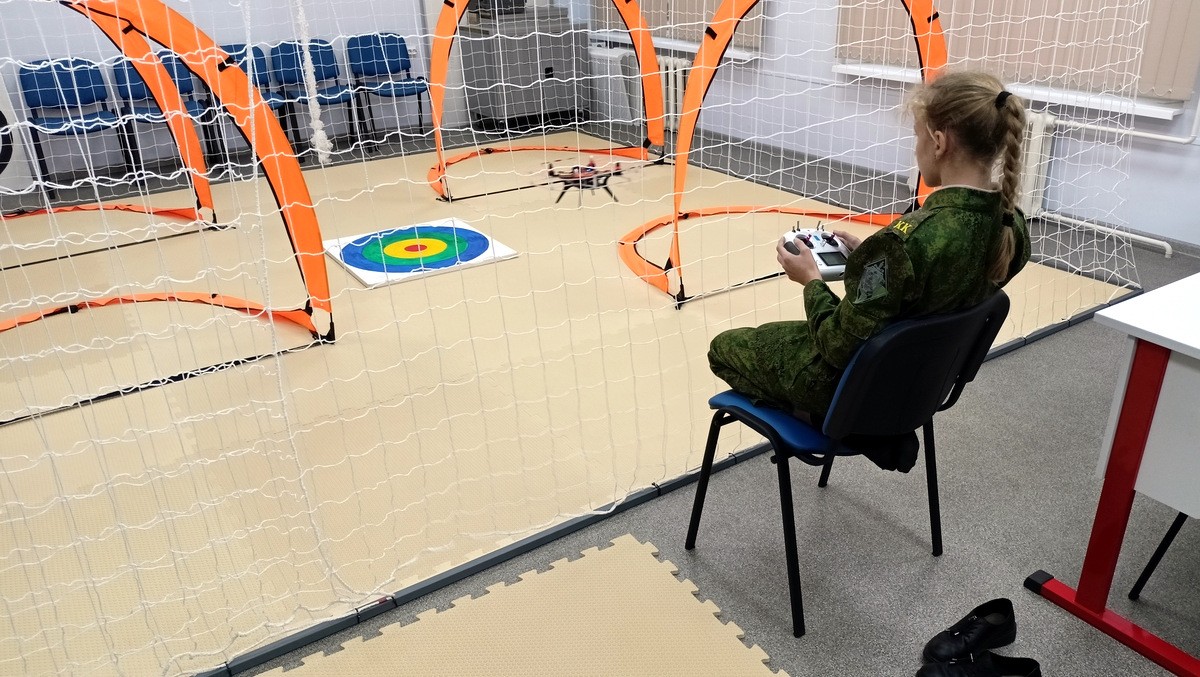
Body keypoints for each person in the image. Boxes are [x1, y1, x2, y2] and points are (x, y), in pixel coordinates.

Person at [708, 71, 1033, 436]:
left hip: (855, 390)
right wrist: (871, 260)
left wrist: (811, 281)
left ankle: (825, 422)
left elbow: (836, 346)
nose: (916, 148)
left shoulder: (903, 244)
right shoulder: (1012, 228)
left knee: (722, 349)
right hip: (922, 387)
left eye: (918, 137)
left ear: (939, 142)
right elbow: (933, 285)